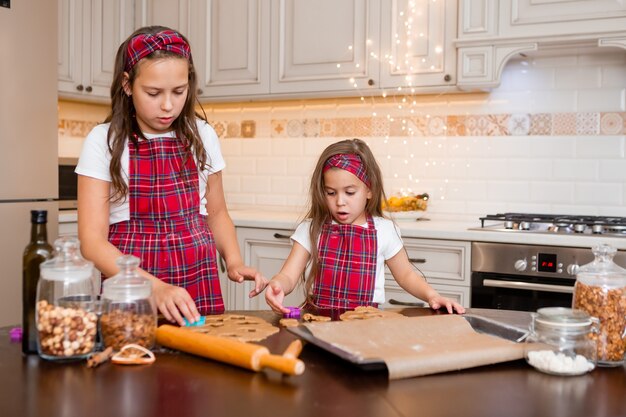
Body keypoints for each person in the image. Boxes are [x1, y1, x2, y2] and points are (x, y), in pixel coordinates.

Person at [76, 26, 267, 326]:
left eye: (179, 91)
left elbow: (216, 213)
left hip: (197, 275)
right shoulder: (105, 141)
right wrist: (155, 287)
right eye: (153, 93)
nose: (168, 105)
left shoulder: (202, 135)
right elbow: (91, 241)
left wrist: (234, 260)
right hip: (132, 283)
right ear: (127, 84)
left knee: (200, 366)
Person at [264, 138, 465, 315]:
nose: (340, 201)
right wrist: (278, 285)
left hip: (366, 324)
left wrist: (432, 296)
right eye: (331, 193)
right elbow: (288, 275)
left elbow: (406, 275)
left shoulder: (384, 231)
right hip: (318, 323)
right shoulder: (311, 229)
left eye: (350, 192)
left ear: (369, 190)